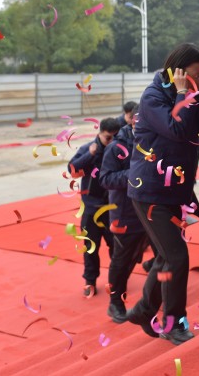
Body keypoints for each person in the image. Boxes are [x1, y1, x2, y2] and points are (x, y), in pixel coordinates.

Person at [121, 43, 199, 345]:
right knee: (176, 256)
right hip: (150, 191)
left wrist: (197, 93)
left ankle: (143, 310)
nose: (198, 80)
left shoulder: (189, 93)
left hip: (176, 190)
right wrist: (182, 93)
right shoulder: (153, 98)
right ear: (176, 71)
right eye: (194, 75)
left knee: (166, 256)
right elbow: (178, 130)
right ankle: (173, 322)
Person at [100, 113, 149, 322]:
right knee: (122, 261)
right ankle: (116, 303)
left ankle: (156, 299)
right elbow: (106, 179)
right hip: (125, 213)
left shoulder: (152, 144)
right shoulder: (116, 148)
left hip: (151, 211)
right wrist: (134, 173)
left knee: (162, 255)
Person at [68, 117, 121, 297]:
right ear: (100, 133)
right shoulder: (88, 149)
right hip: (91, 207)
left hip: (112, 207)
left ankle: (117, 279)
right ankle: (90, 281)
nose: (111, 141)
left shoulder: (118, 150)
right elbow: (72, 168)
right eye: (108, 138)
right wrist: (90, 155)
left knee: (116, 246)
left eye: (115, 137)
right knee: (90, 247)